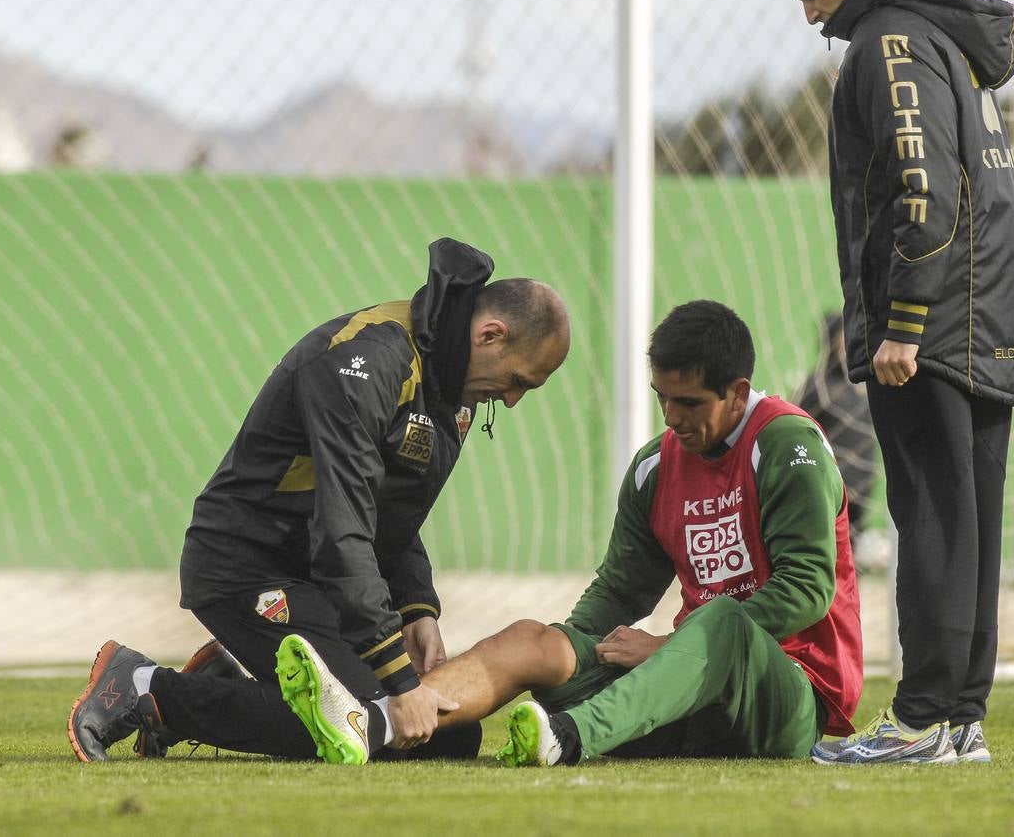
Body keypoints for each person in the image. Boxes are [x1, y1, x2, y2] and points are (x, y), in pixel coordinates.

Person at [259, 300, 863, 767]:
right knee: (535, 640)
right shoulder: (657, 466)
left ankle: (568, 740)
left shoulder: (788, 445)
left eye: (689, 403)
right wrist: (569, 653)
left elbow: (808, 589)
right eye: (662, 400)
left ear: (737, 393)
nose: (672, 419)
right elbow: (622, 591)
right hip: (689, 698)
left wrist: (667, 650)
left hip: (787, 703)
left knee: (722, 620)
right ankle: (373, 722)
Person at [67, 237, 571, 763]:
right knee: (362, 721)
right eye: (518, 382)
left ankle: (222, 679)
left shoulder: (451, 389)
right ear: (491, 334)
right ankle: (145, 688)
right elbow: (342, 527)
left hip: (320, 579)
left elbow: (391, 510)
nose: (511, 400)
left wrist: (417, 607)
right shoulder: (368, 359)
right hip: (246, 566)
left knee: (448, 736)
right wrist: (399, 677)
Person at [762, 0, 1014, 765]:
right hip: (985, 317)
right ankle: (955, 722)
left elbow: (923, 181)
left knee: (928, 519)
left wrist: (903, 323)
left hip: (933, 327)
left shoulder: (886, 43)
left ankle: (920, 720)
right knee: (965, 520)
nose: (809, 15)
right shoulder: (939, 33)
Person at [794, 311, 886, 571]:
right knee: (822, 564)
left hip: (861, 491)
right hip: (826, 491)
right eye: (842, 337)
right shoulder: (816, 387)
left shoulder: (865, 385)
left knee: (848, 566)